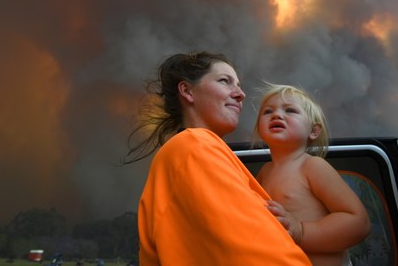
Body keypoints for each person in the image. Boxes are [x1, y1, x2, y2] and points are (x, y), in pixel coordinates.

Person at [125, 52, 311, 265]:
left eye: (239, 85)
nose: (241, 94)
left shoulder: (191, 149)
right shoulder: (195, 146)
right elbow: (255, 253)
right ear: (187, 91)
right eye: (225, 81)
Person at [254, 83, 371, 266]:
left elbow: (358, 222)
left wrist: (301, 231)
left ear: (314, 131)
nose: (277, 114)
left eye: (290, 110)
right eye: (268, 111)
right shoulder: (264, 173)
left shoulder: (312, 166)